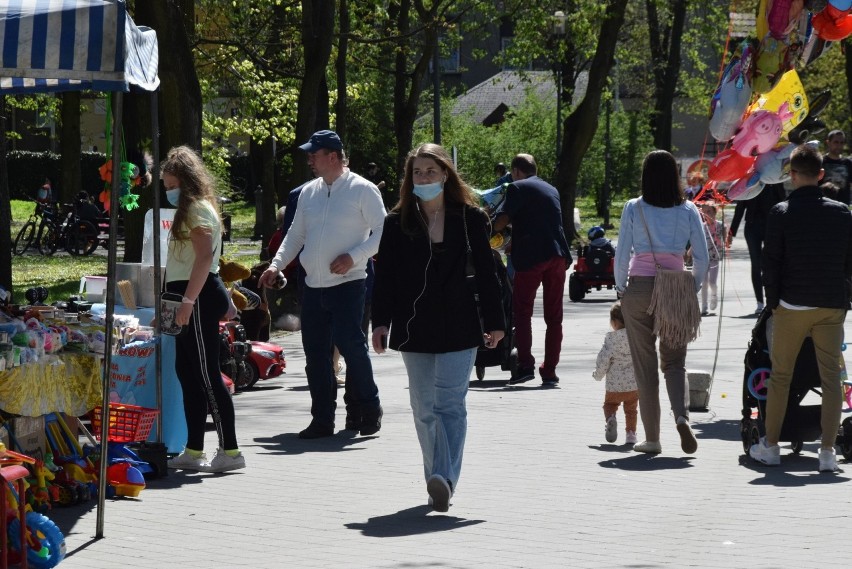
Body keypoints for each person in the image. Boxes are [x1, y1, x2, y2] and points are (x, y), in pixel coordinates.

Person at [371, 142, 505, 512]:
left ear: (446, 174)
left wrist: (496, 322)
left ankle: (444, 478)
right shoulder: (396, 223)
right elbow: (386, 279)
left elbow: (489, 274)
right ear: (409, 179)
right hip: (414, 326)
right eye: (417, 172)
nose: (424, 177)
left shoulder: (471, 218)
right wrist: (380, 322)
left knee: (449, 404)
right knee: (423, 407)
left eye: (431, 171)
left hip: (460, 323)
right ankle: (437, 478)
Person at [260, 130, 385, 439]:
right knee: (315, 354)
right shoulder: (309, 193)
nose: (309, 160)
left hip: (349, 284)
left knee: (352, 347)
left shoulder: (363, 190)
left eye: (313, 155)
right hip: (313, 287)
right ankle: (322, 419)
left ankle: (370, 409)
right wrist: (275, 264)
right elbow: (295, 236)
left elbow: (384, 234)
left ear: (332, 157)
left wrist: (353, 257)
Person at [749, 144, 852, 472]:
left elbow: (771, 263)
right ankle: (826, 452)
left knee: (780, 376)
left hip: (791, 305)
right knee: (831, 378)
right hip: (831, 305)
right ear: (821, 175)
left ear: (791, 176)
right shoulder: (842, 212)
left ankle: (771, 446)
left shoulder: (781, 212)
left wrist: (773, 303)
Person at [614, 149, 709, 455]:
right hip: (676, 289)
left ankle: (652, 438)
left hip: (640, 286)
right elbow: (704, 257)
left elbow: (622, 252)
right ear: (675, 177)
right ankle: (681, 416)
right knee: (675, 362)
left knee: (645, 366)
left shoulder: (633, 208)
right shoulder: (689, 210)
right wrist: (688, 288)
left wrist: (621, 288)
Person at [161, 146, 245, 473]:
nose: (169, 193)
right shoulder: (190, 209)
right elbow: (182, 265)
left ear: (187, 181)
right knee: (188, 373)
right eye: (166, 187)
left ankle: (231, 450)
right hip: (186, 295)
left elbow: (204, 259)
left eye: (172, 186)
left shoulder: (196, 208)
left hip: (196, 297)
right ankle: (194, 449)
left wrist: (186, 302)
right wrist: (172, 304)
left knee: (208, 374)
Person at [492, 153, 572, 386]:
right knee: (554, 317)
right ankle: (550, 371)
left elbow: (502, 220)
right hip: (557, 256)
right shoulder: (551, 189)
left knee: (523, 312)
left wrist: (489, 225)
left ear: (516, 171)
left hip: (531, 258)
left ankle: (526, 366)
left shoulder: (517, 187)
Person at [727, 183, 787, 315]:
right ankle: (760, 302)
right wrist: (731, 232)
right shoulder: (749, 182)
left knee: (773, 263)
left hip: (771, 227)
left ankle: (774, 300)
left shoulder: (774, 180)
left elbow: (784, 202)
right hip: (752, 227)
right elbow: (740, 207)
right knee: (756, 264)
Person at [592, 301, 639, 446]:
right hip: (633, 385)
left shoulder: (611, 340)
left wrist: (598, 375)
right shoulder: (636, 337)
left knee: (610, 405)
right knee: (631, 410)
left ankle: (611, 418)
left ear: (613, 322)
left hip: (614, 385)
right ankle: (631, 434)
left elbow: (604, 359)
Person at [695, 201, 726, 316]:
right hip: (703, 258)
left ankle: (714, 294)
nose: (706, 214)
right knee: (704, 282)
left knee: (712, 282)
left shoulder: (721, 225)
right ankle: (704, 306)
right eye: (704, 212)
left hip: (714, 258)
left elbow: (726, 240)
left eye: (709, 211)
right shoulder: (701, 227)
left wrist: (726, 239)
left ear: (714, 212)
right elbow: (696, 241)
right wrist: (689, 251)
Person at [820, 129, 852, 205]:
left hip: (843, 206)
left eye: (842, 143)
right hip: (823, 205)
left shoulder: (848, 163)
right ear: (828, 142)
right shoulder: (820, 162)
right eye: (836, 142)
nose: (839, 145)